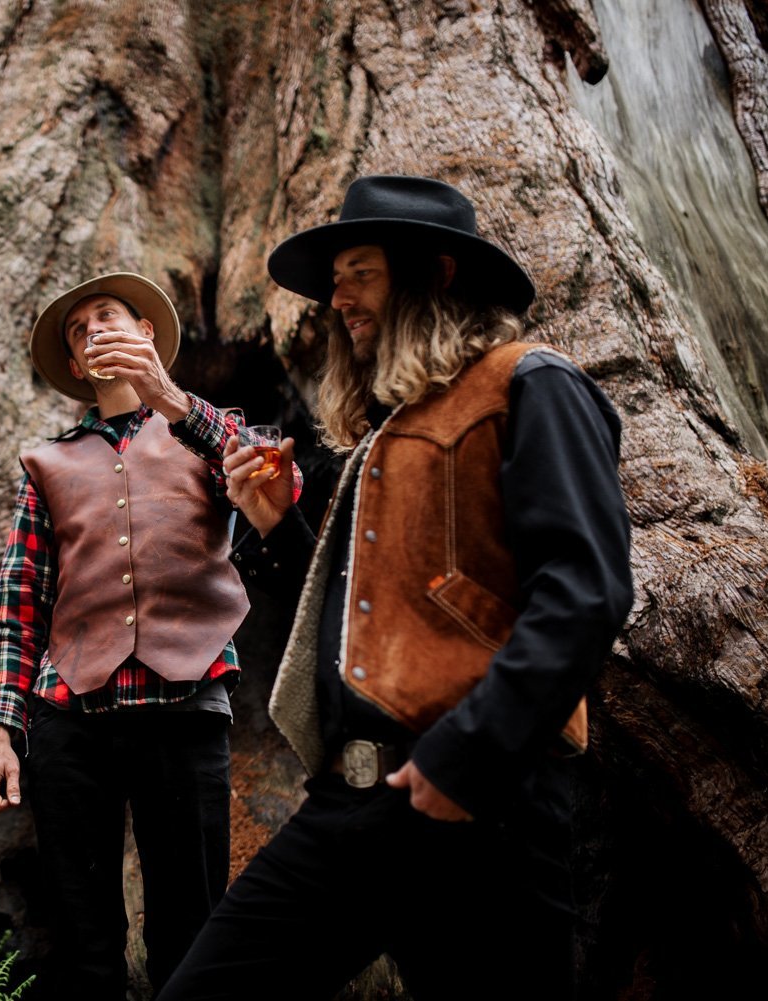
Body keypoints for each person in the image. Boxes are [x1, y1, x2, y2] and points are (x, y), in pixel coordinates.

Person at [157, 175, 634, 1000]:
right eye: (335, 278)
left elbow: (586, 592)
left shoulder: (532, 383)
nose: (335, 298)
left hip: (483, 811)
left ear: (437, 275)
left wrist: (468, 759)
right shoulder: (389, 429)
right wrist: (277, 525)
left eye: (360, 272)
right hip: (350, 806)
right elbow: (371, 619)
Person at [0, 272, 300, 999]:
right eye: (78, 331)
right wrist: (1, 731)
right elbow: (19, 600)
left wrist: (172, 399)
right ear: (79, 364)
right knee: (81, 940)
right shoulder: (46, 463)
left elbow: (283, 484)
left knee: (190, 931)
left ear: (147, 332)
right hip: (70, 721)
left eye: (106, 317)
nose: (92, 333)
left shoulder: (208, 431)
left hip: (185, 711)